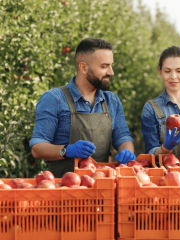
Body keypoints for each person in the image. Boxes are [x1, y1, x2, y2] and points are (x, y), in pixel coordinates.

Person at [30, 38, 136, 178]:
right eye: (104, 66)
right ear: (83, 67)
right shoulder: (54, 99)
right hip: (64, 188)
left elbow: (123, 137)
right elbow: (37, 148)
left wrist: (127, 150)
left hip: (102, 186)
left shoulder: (112, 101)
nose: (111, 72)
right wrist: (67, 150)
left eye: (111, 65)